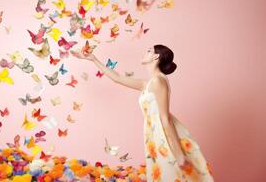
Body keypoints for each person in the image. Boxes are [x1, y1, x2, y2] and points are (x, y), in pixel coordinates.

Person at [70, 44, 214, 181]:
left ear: (156, 57)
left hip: (165, 135)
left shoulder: (158, 81)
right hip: (154, 134)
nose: (145, 52)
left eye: (149, 50)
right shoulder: (149, 83)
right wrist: (94, 59)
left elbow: (165, 118)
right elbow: (118, 78)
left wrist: (179, 154)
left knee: (174, 175)